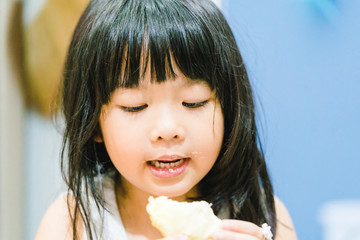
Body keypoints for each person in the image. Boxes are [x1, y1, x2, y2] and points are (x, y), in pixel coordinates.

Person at [35, 0, 297, 239]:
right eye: (135, 106)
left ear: (228, 107)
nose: (168, 129)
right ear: (93, 122)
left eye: (193, 102)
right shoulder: (72, 222)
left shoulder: (263, 213)